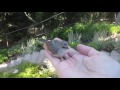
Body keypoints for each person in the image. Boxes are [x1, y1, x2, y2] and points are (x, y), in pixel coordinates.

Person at [43, 38, 120, 78]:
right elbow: (51, 45)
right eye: (64, 47)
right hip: (51, 45)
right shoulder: (56, 49)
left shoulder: (65, 48)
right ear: (60, 46)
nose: (67, 48)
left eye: (66, 46)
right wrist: (47, 42)